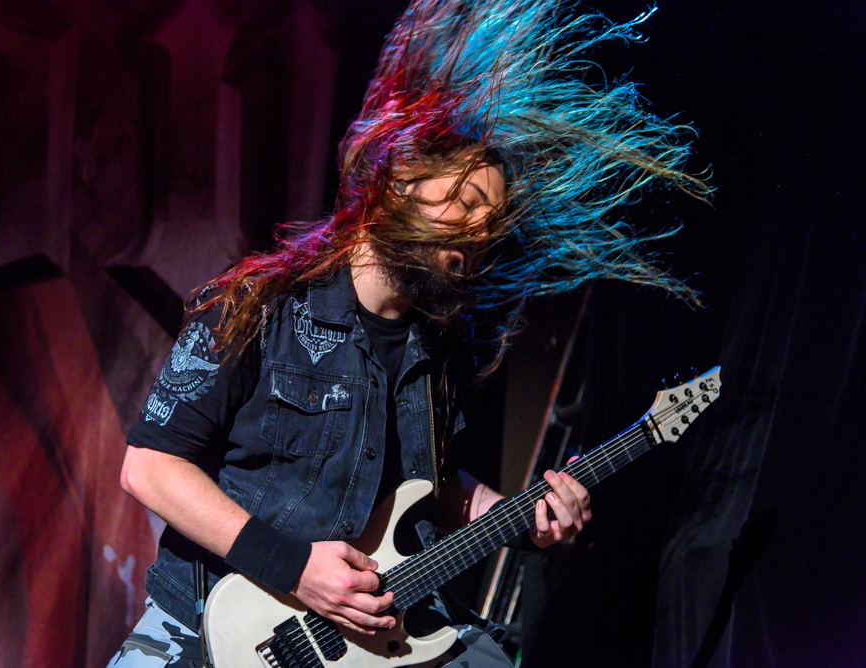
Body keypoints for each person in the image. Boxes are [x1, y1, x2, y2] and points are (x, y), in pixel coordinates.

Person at [107, 1, 710, 665]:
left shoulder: (438, 350)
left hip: (363, 634)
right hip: (212, 629)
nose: (479, 234)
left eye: (491, 223)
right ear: (397, 180)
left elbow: (431, 486)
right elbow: (151, 467)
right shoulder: (259, 305)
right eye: (469, 203)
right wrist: (295, 568)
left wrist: (515, 513)